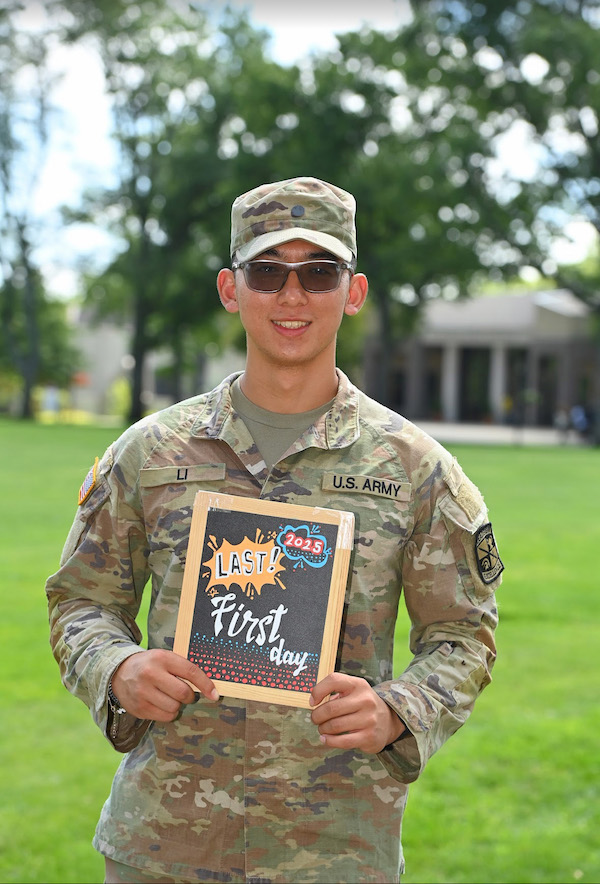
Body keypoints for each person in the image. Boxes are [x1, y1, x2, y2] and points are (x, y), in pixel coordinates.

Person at [46, 176, 503, 884]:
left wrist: (397, 711)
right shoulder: (149, 453)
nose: (293, 296)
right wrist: (118, 669)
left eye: (319, 273)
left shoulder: (416, 469)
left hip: (335, 849)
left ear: (353, 293)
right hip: (164, 844)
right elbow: (81, 603)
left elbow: (465, 635)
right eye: (268, 272)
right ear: (232, 289)